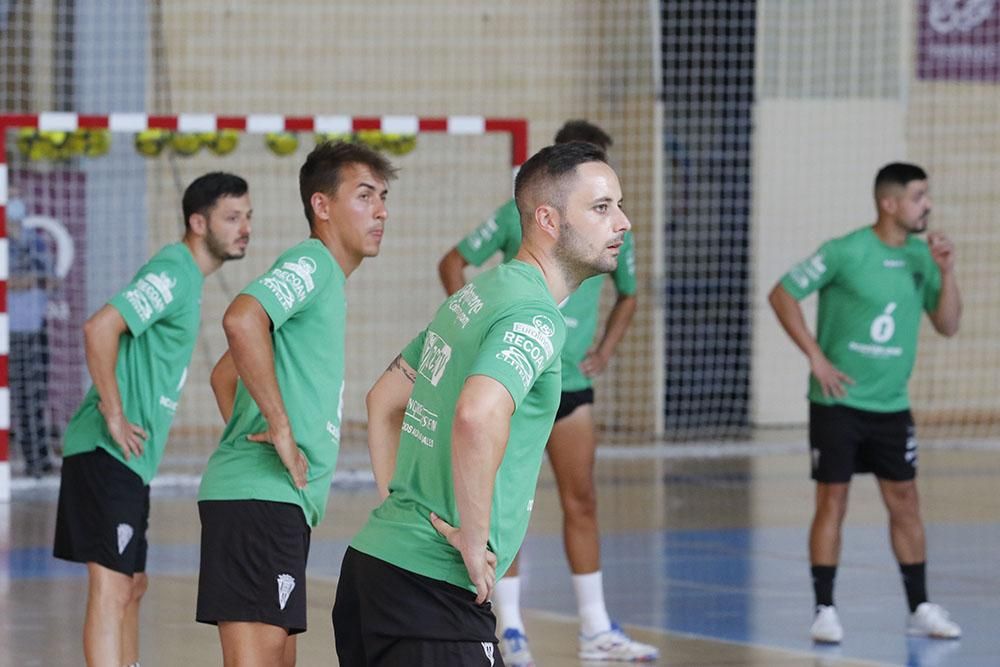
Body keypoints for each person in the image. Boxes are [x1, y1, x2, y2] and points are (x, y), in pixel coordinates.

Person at [333, 140, 633, 666]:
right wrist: (473, 540)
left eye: (619, 205)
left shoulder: (478, 296)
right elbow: (477, 413)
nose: (623, 223)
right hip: (436, 593)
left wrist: (397, 504)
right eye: (602, 208)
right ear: (547, 219)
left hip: (373, 567)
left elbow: (382, 398)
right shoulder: (535, 316)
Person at [437, 120, 653, 664]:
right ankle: (508, 626)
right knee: (507, 498)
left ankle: (596, 625)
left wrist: (604, 348)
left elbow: (630, 295)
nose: (610, 212)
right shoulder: (527, 218)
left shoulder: (613, 237)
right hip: (515, 380)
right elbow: (453, 260)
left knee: (581, 499)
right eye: (596, 199)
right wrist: (478, 332)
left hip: (571, 384)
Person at [195, 141, 396, 666]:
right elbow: (242, 319)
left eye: (384, 197)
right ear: (321, 205)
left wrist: (258, 427)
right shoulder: (313, 262)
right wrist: (279, 429)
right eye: (365, 195)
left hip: (278, 501)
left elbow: (224, 376)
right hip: (257, 502)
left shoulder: (329, 281)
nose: (381, 211)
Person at [52, 172, 253, 667]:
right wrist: (114, 414)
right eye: (232, 218)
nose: (245, 227)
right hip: (107, 450)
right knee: (113, 585)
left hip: (130, 459)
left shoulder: (189, 279)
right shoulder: (174, 270)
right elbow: (100, 328)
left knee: (133, 585)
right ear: (197, 222)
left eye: (248, 217)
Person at [768, 162, 962, 644]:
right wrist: (815, 356)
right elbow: (782, 294)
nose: (928, 205)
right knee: (833, 499)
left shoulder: (922, 258)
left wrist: (946, 272)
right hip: (838, 402)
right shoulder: (845, 251)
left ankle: (919, 606)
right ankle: (825, 608)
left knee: (906, 502)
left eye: (927, 196)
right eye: (919, 197)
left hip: (892, 406)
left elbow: (949, 323)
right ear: (889, 203)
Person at [6, 195, 57, 476]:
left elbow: (51, 279)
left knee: (33, 400)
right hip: (8, 331)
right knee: (15, 400)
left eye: (18, 196)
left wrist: (26, 281)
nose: (16, 201)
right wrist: (28, 281)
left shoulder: (34, 240)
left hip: (33, 328)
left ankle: (37, 460)